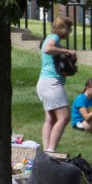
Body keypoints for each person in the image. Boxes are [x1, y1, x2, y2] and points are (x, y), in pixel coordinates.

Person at [37, 15, 75, 153]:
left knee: (51, 118)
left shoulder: (52, 39)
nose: (70, 32)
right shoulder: (54, 38)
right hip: (51, 83)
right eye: (69, 28)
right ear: (62, 28)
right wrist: (66, 51)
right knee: (64, 117)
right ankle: (51, 151)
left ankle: (47, 152)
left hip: (44, 83)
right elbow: (48, 49)